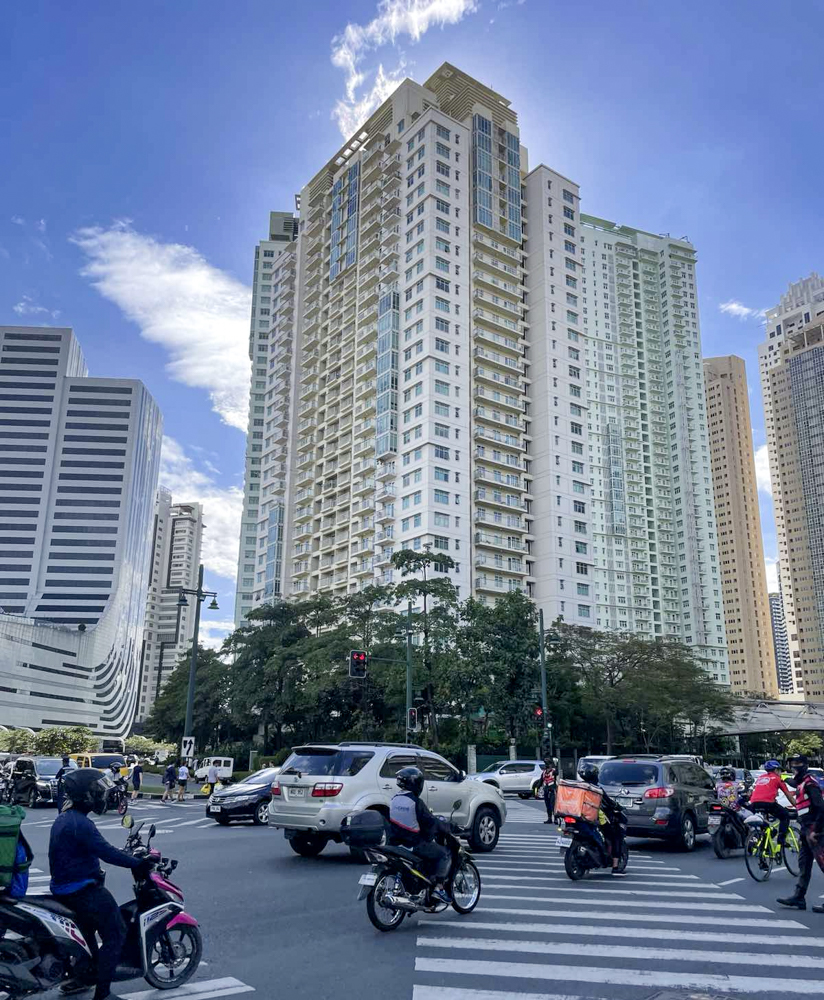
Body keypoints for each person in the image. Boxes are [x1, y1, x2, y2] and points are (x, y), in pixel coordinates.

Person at [49, 767, 152, 1000]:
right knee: (116, 933)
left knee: (87, 934)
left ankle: (83, 977)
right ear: (86, 795)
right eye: (97, 792)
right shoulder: (80, 824)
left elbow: (98, 849)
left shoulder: (66, 818)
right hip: (81, 890)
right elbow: (107, 853)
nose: (102, 796)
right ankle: (103, 994)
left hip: (65, 888)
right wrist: (138, 863)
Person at [389, 765, 451, 903]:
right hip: (414, 844)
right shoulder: (416, 802)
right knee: (444, 854)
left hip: (396, 843)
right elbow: (430, 822)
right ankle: (439, 889)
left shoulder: (394, 799)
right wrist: (447, 827)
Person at [778, 754, 824, 911]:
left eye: (797, 764)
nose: (793, 767)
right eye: (792, 764)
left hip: (814, 830)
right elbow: (794, 784)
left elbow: (820, 807)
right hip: (806, 829)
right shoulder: (801, 782)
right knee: (804, 865)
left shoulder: (810, 783)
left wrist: (816, 830)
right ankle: (799, 897)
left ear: (804, 765)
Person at [579, 762, 626, 874]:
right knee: (615, 836)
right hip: (596, 818)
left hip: (580, 816)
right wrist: (617, 806)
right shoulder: (596, 789)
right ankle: (615, 866)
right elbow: (608, 802)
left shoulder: (579, 787)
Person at [749, 759, 795, 845]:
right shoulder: (778, 779)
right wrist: (797, 806)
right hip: (768, 804)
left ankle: (765, 842)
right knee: (785, 815)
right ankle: (781, 840)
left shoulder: (760, 777)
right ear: (776, 770)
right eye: (780, 771)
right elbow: (788, 795)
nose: (781, 773)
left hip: (753, 804)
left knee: (763, 822)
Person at [541, 759, 557, 824]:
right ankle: (549, 818)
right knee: (548, 805)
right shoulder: (544, 772)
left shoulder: (553, 771)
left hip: (552, 790)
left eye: (548, 764)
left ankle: (555, 819)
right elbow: (541, 780)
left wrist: (555, 765)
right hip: (546, 790)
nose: (547, 766)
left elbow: (557, 773)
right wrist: (537, 788)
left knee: (553, 805)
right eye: (546, 764)